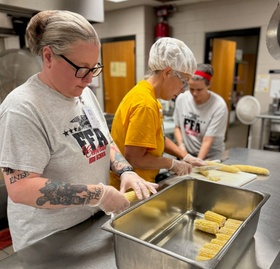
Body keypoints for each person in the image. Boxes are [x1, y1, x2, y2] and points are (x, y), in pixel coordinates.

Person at [0, 10, 158, 252]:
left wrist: (126, 171)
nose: (89, 79)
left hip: (90, 224)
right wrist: (99, 194)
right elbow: (21, 188)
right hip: (48, 239)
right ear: (49, 56)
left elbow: (105, 142)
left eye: (94, 68)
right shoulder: (22, 109)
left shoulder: (84, 94)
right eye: (81, 68)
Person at [110, 37, 205, 190]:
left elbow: (156, 136)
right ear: (167, 72)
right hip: (132, 189)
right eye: (184, 82)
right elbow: (134, 158)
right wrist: (171, 163)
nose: (183, 90)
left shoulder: (147, 93)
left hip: (141, 182)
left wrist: (184, 156)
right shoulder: (145, 104)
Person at [173, 63, 228, 160]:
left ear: (209, 84)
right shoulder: (182, 99)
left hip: (210, 157)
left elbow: (207, 140)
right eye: (191, 89)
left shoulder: (218, 106)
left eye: (199, 89)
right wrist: (183, 151)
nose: (194, 93)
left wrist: (197, 162)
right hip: (188, 153)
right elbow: (177, 127)